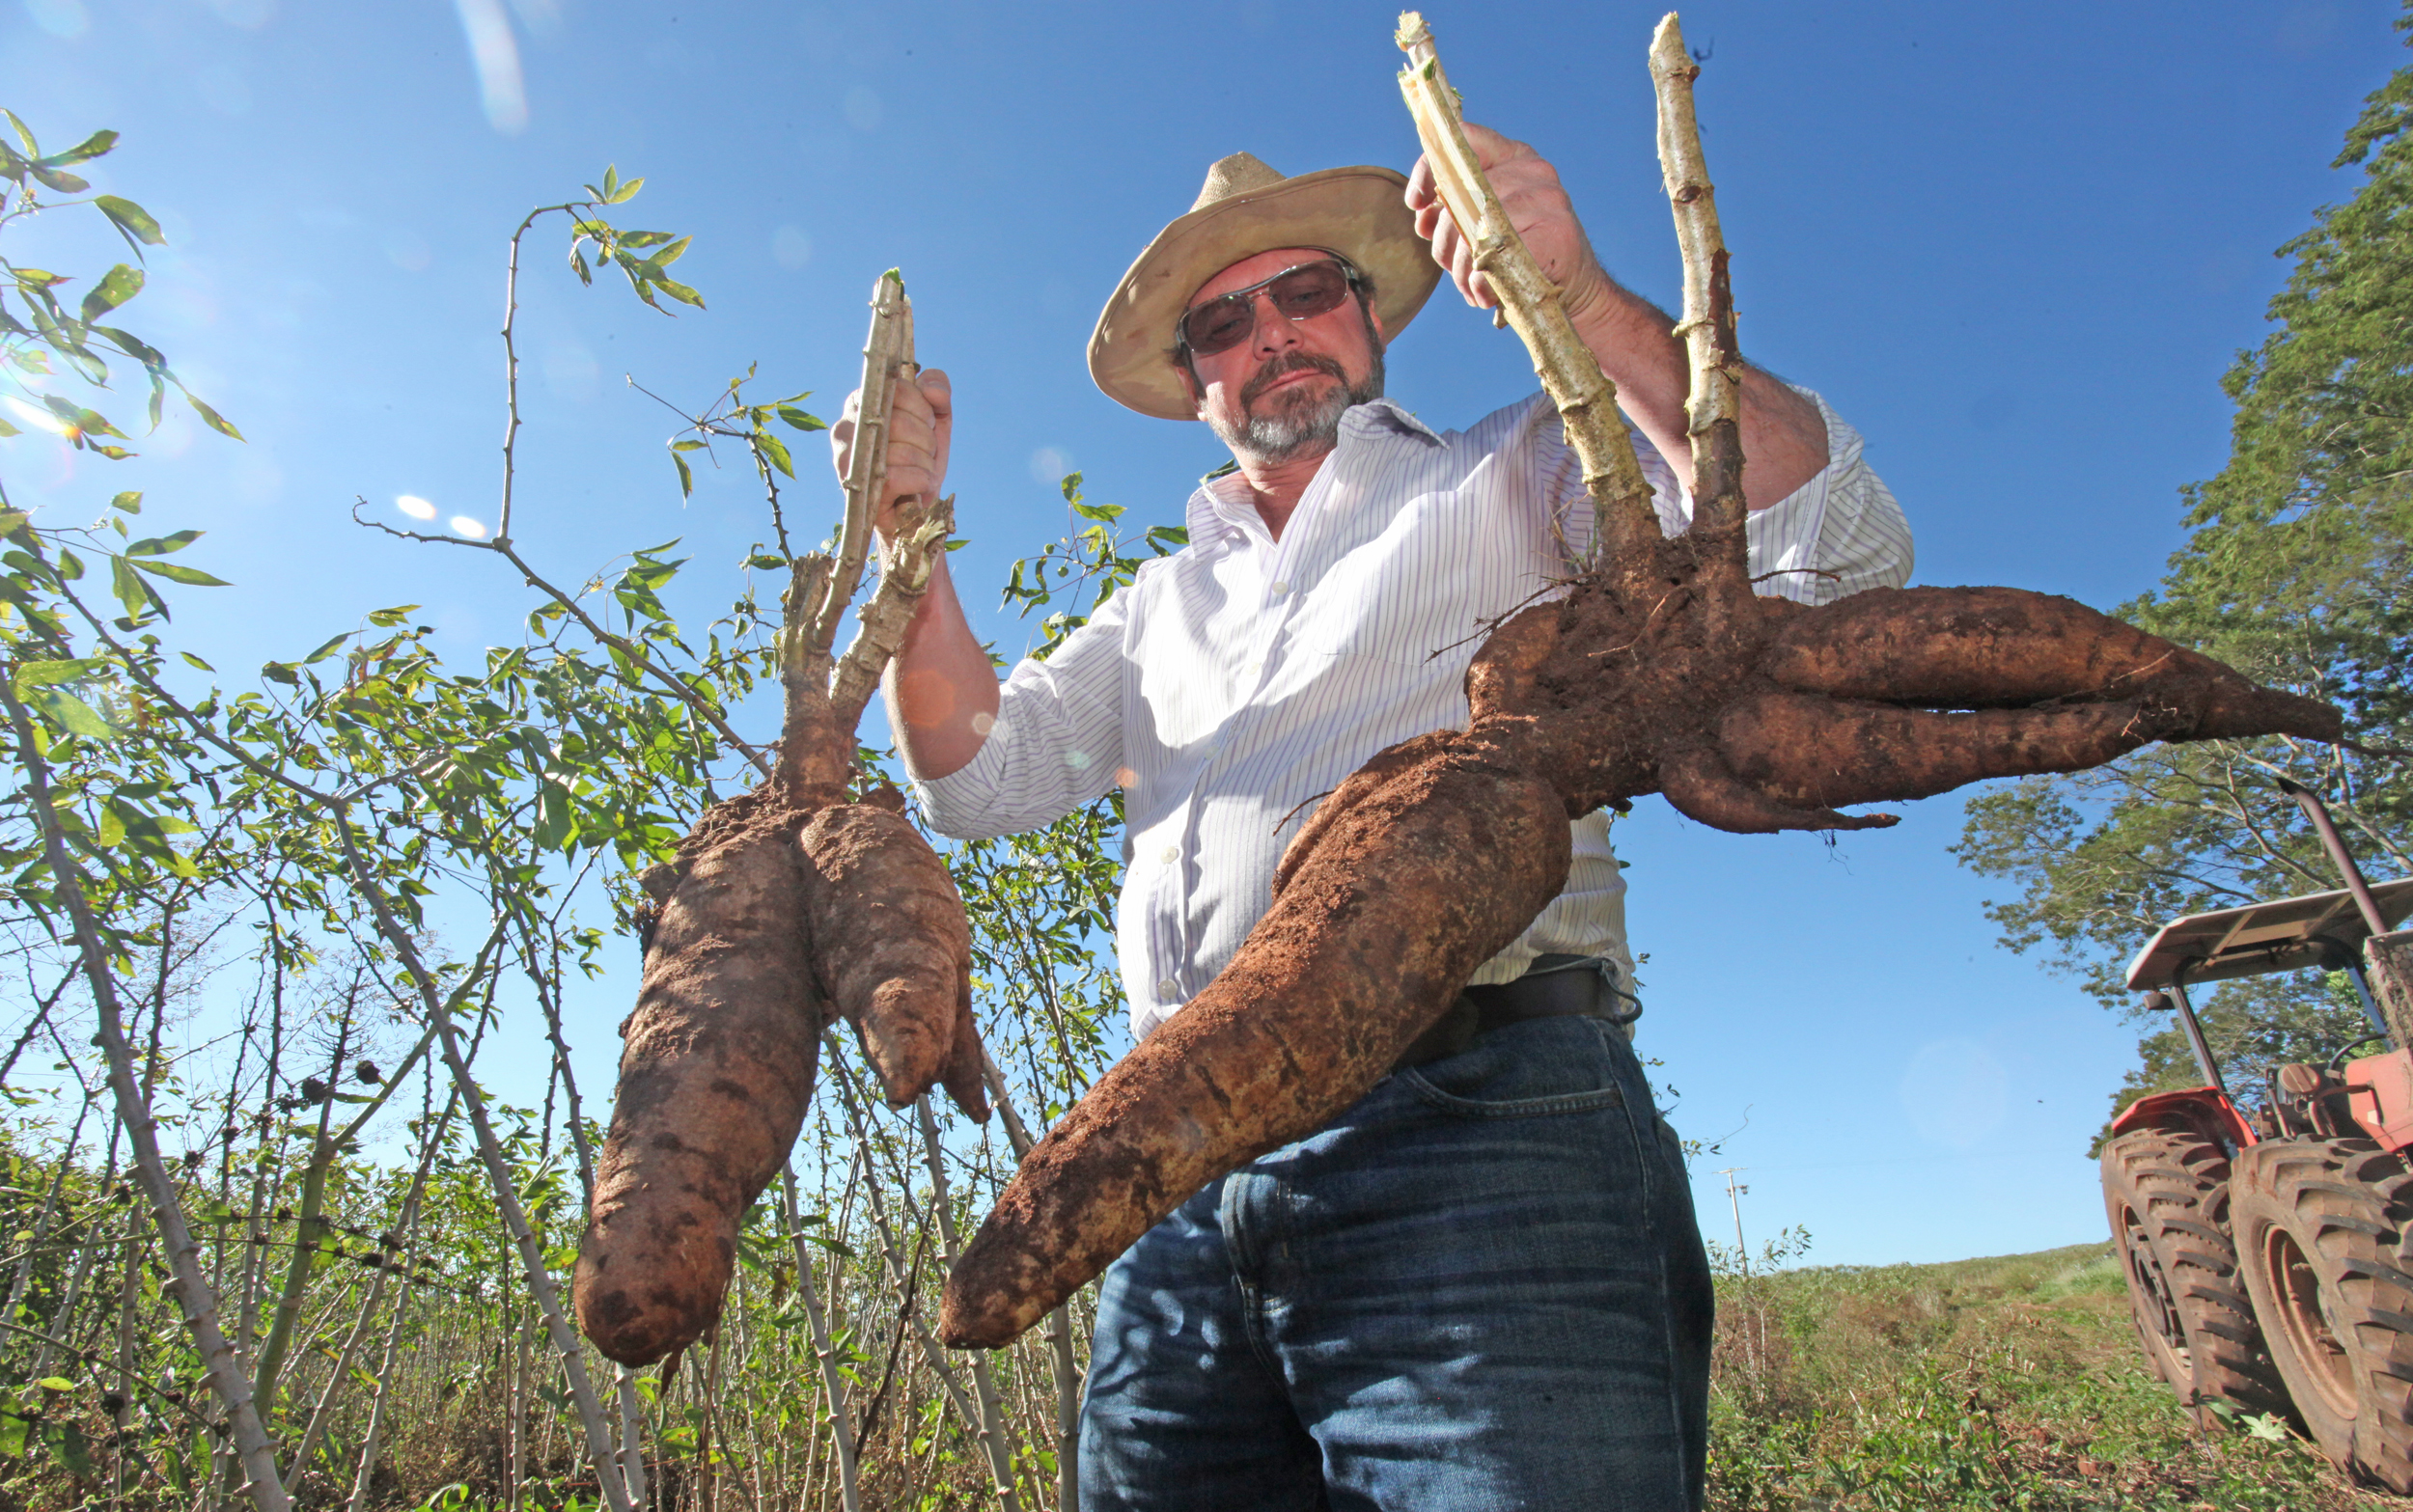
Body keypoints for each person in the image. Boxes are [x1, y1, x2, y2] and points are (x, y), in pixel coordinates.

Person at [832, 124, 1910, 1512]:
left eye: (1307, 294)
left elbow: (1834, 541)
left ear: (1371, 312)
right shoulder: (1155, 609)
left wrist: (1576, 295)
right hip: (1178, 1168)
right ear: (1193, 381)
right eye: (1226, 320)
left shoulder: (1520, 470)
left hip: (1479, 1130)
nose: (1272, 333)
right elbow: (980, 779)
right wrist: (906, 536)